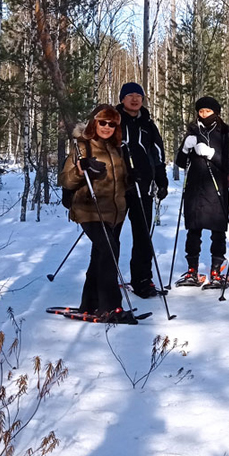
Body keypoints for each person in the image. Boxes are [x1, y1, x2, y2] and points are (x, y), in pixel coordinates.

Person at [59, 105, 133, 323]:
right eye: (103, 122)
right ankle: (110, 307)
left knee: (100, 255)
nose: (107, 127)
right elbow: (65, 180)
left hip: (115, 212)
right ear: (94, 123)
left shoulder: (117, 148)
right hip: (88, 209)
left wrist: (132, 178)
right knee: (110, 251)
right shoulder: (82, 147)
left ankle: (90, 302)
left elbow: (121, 182)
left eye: (112, 124)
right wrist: (81, 170)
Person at [174, 97, 229, 289]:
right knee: (193, 229)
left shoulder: (224, 132)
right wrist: (185, 148)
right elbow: (181, 163)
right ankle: (192, 269)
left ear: (216, 112)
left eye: (208, 111)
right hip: (195, 188)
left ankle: (217, 269)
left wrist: (210, 153)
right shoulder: (192, 131)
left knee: (218, 230)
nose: (204, 114)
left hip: (217, 188)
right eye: (201, 111)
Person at [116, 82, 169, 299]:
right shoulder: (113, 121)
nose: (135, 99)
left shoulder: (148, 124)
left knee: (142, 237)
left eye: (139, 95)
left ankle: (142, 280)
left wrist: (161, 179)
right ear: (122, 99)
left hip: (143, 188)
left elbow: (157, 152)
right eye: (130, 95)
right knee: (110, 237)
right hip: (118, 188)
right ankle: (107, 279)